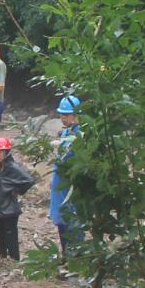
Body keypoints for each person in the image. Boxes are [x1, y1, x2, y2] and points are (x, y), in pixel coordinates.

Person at [0, 137, 39, 264]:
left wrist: (17, 190)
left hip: (10, 209)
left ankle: (14, 261)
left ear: (6, 152)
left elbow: (29, 181)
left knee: (11, 237)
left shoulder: (13, 168)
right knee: (0, 237)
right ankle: (2, 260)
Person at [50, 95, 85, 256]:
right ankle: (66, 255)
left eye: (66, 114)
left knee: (73, 222)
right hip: (60, 185)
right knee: (62, 221)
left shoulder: (80, 135)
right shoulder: (65, 133)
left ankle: (77, 257)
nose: (63, 118)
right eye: (62, 115)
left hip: (72, 186)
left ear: (76, 114)